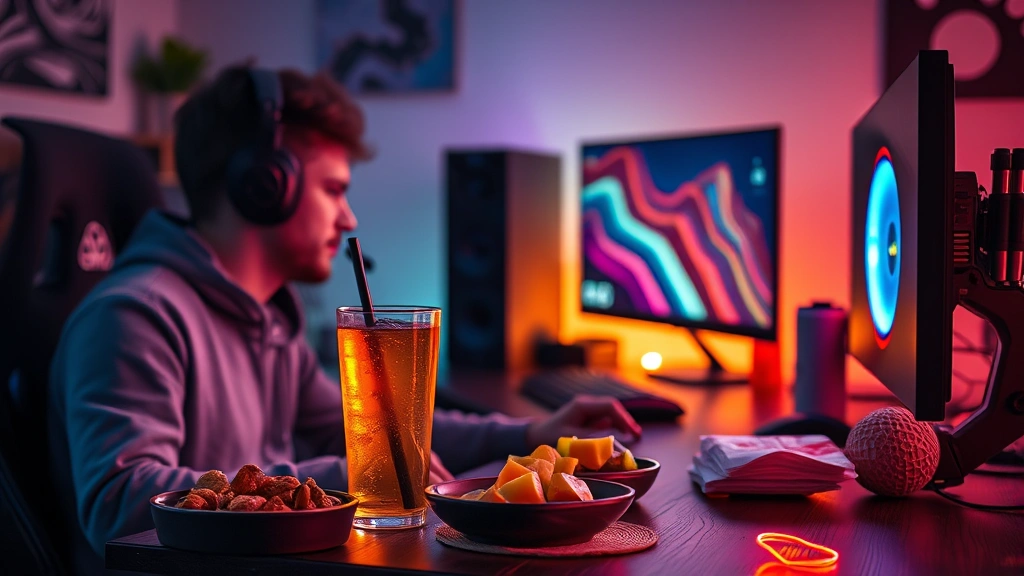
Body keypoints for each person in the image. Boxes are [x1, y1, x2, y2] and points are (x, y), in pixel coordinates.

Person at [47, 65, 641, 574]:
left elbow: (368, 426)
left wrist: (529, 434)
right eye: (334, 189)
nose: (348, 215)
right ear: (264, 184)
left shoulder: (268, 321)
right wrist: (346, 485)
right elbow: (118, 504)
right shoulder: (135, 315)